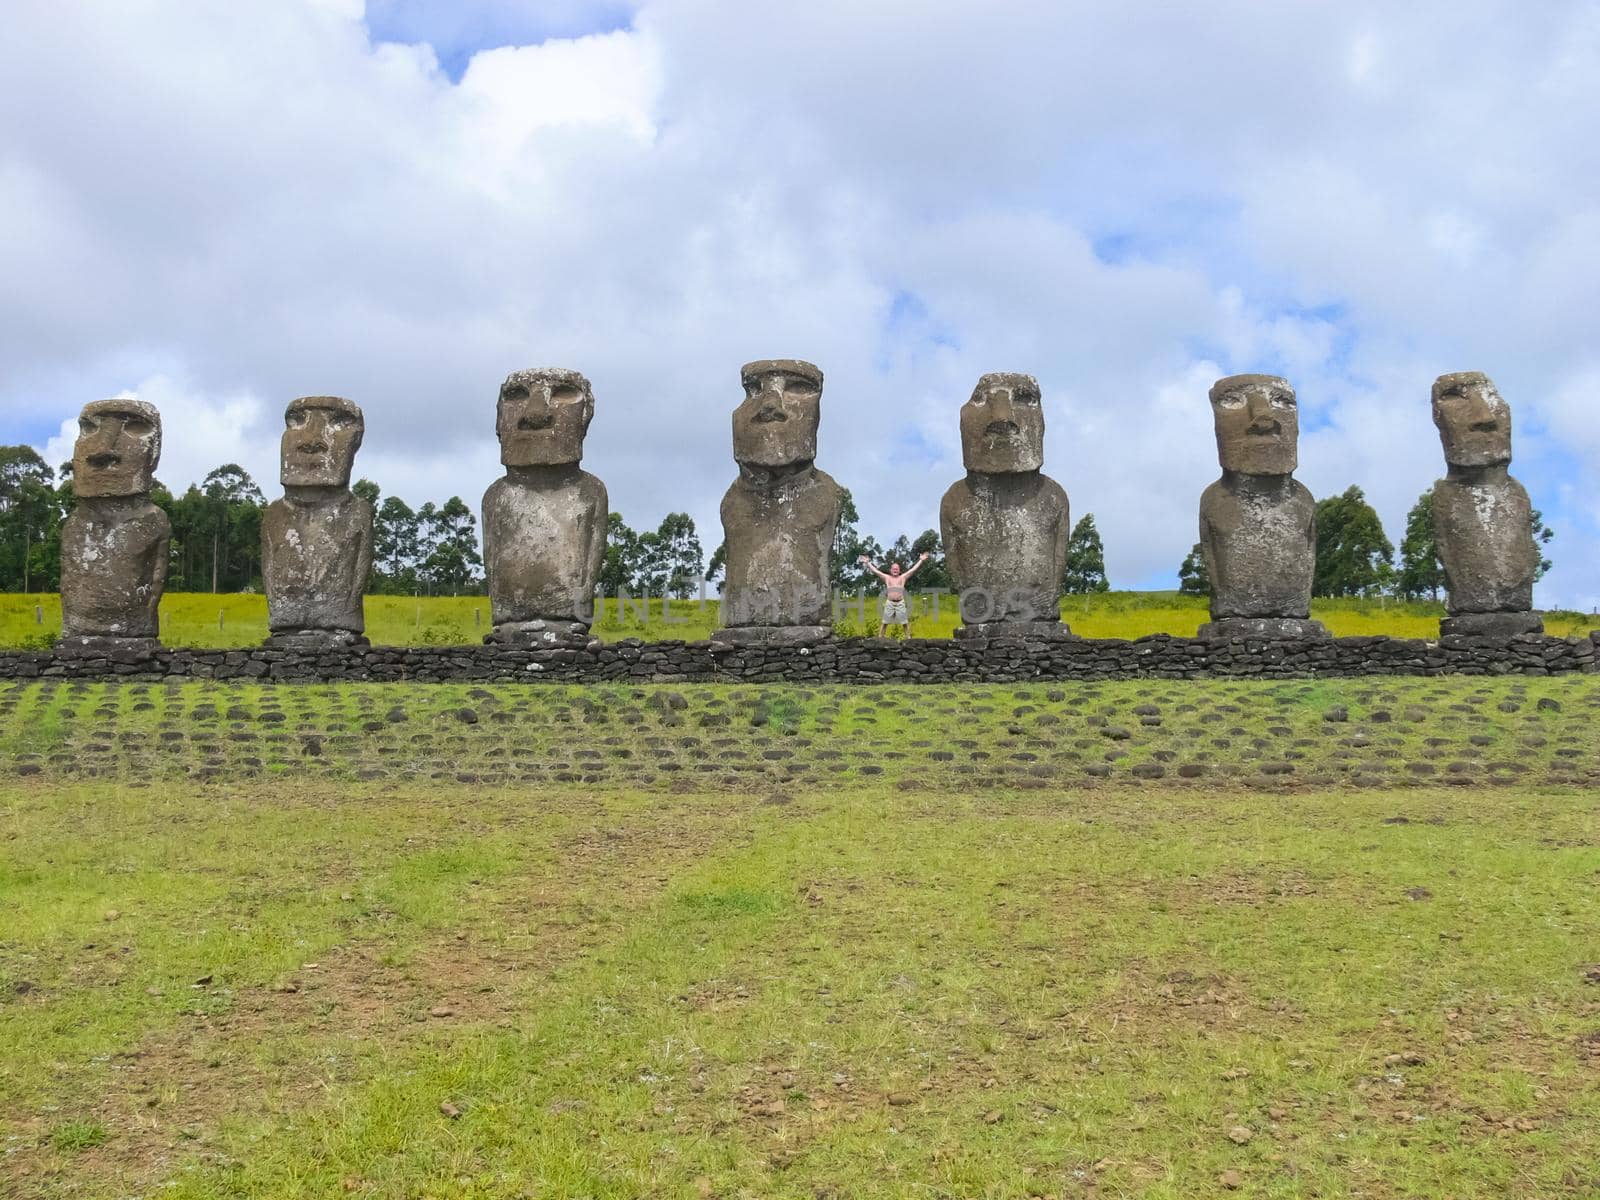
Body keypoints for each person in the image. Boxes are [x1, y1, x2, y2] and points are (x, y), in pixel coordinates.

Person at [859, 552, 931, 637]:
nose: (895, 570)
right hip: (890, 602)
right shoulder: (887, 577)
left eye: (897, 569)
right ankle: (880, 638)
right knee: (885, 622)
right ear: (891, 570)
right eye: (894, 569)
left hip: (900, 602)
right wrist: (867, 563)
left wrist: (921, 560)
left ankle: (908, 638)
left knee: (905, 623)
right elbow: (876, 571)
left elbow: (913, 570)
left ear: (899, 570)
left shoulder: (903, 577)